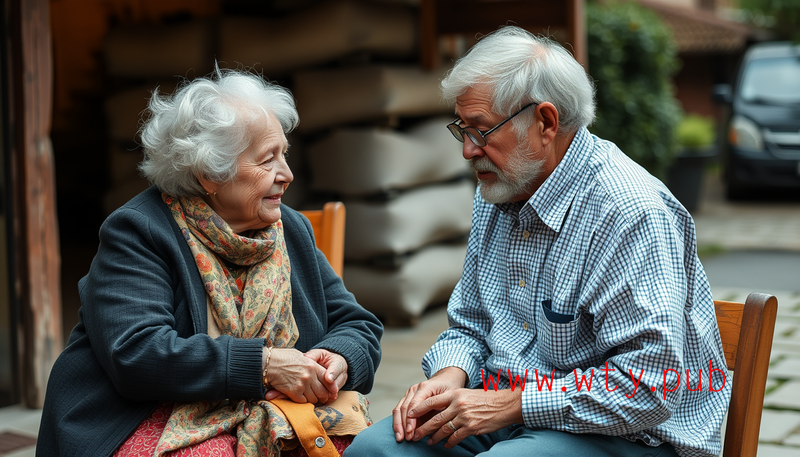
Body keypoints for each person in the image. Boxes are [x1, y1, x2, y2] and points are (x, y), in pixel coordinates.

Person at [346, 26, 729, 457]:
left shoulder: (630, 211)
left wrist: (511, 404)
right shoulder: (501, 187)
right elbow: (472, 322)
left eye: (482, 131)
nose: (469, 151)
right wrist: (448, 376)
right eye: (463, 130)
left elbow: (649, 388)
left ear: (545, 122)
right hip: (508, 408)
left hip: (632, 432)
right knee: (374, 450)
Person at [37, 68, 383, 457]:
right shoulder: (137, 232)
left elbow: (357, 323)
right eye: (268, 160)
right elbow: (138, 352)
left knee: (362, 446)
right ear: (209, 174)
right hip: (146, 411)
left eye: (283, 154)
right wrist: (264, 365)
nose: (286, 174)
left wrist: (339, 357)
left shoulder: (290, 230)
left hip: (262, 410)